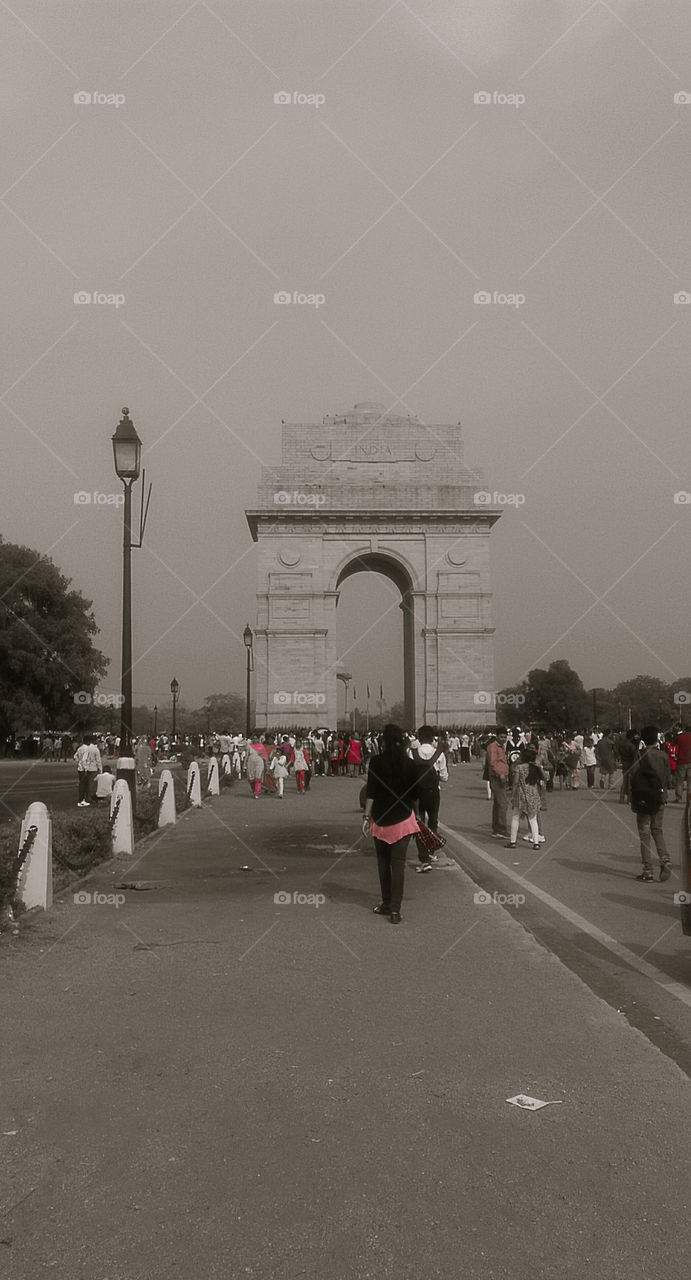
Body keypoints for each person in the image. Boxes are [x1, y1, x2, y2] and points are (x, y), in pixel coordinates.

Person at [362, 723, 420, 924]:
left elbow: (371, 791)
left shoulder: (376, 762)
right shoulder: (410, 764)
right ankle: (396, 910)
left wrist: (365, 817)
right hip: (403, 820)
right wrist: (418, 817)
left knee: (383, 865)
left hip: (380, 820)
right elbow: (415, 795)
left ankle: (386, 904)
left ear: (383, 741)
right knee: (399, 866)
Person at [629, 726, 672, 882]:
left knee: (644, 834)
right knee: (657, 830)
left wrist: (631, 796)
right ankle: (665, 858)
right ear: (657, 739)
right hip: (659, 798)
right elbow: (669, 779)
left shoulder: (639, 755)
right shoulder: (663, 756)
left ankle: (648, 871)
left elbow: (632, 777)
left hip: (643, 800)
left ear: (643, 740)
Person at [411, 726, 448, 871]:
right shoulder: (439, 754)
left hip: (416, 794)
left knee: (418, 823)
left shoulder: (412, 752)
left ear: (419, 738)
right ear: (433, 738)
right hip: (433, 793)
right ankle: (431, 852)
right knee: (433, 821)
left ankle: (424, 858)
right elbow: (445, 777)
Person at [505, 746, 543, 850]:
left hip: (521, 794)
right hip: (533, 794)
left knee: (515, 817)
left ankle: (513, 841)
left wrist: (512, 796)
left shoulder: (519, 768)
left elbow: (516, 782)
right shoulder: (535, 768)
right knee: (533, 819)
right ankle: (536, 842)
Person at [486, 730, 510, 838]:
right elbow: (493, 762)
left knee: (498, 803)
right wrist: (501, 775)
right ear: (497, 736)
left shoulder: (501, 747)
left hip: (502, 776)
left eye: (505, 737)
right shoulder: (493, 747)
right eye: (501, 737)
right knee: (502, 803)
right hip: (497, 777)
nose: (503, 739)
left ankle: (496, 828)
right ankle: (501, 828)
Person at [74, 734, 102, 807]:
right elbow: (96, 760)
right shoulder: (91, 749)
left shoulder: (80, 748)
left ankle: (82, 799)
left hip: (81, 768)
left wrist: (79, 761)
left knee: (82, 784)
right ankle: (86, 799)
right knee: (89, 785)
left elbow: (75, 756)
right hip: (89, 768)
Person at [246, 734, 268, 798]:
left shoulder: (261, 746)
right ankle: (254, 790)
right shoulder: (249, 746)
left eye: (256, 738)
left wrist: (267, 764)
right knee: (251, 779)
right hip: (250, 763)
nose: (255, 740)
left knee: (257, 778)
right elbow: (247, 755)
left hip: (259, 762)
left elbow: (265, 756)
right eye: (253, 738)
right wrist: (244, 764)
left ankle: (257, 793)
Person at [674, 723, 691, 804]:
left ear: (684, 730)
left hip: (681, 761)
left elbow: (674, 744)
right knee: (690, 781)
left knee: (679, 781)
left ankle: (678, 798)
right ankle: (689, 798)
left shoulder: (679, 737)